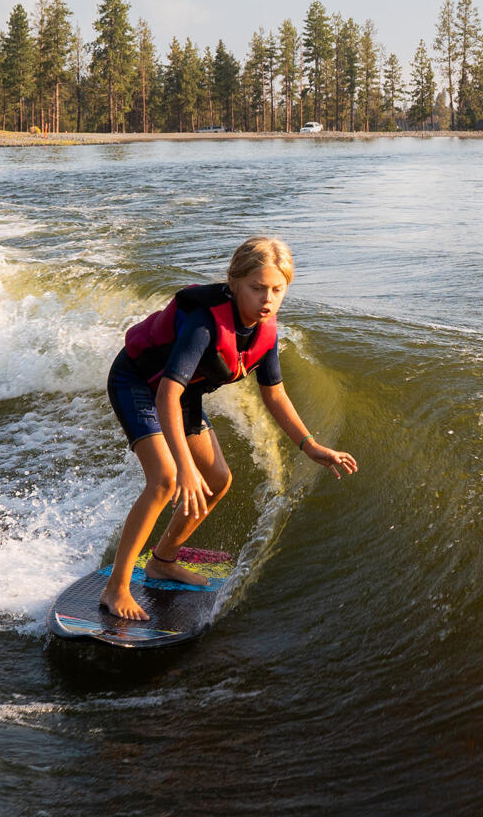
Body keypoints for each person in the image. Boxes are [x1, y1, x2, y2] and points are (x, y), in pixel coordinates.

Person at [101, 234, 355, 621]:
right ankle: (116, 588)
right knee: (165, 479)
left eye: (277, 290)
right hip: (138, 382)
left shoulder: (265, 331)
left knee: (218, 479)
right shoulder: (204, 324)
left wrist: (310, 445)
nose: (267, 299)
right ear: (234, 283)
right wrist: (185, 467)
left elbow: (275, 395)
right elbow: (166, 395)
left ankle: (162, 561)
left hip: (181, 394)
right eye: (257, 288)